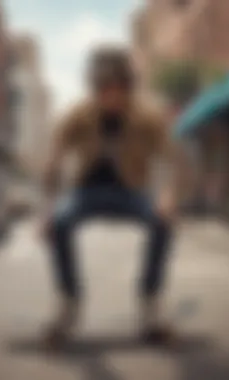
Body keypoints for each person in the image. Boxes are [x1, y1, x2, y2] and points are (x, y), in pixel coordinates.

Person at [40, 45, 179, 348]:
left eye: (119, 90)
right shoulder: (77, 113)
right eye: (105, 90)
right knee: (61, 223)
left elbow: (171, 160)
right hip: (86, 191)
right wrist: (47, 210)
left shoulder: (148, 116)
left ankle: (150, 305)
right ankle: (69, 303)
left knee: (163, 223)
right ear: (95, 89)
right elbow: (54, 160)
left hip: (131, 191)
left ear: (129, 89)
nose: (112, 98)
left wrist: (167, 197)